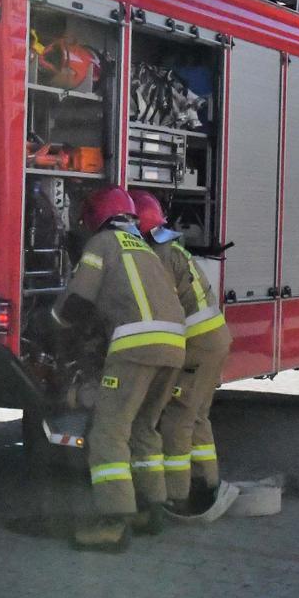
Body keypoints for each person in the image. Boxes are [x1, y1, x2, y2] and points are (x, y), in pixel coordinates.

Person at [51, 186, 186, 552]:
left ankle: (113, 523)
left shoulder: (102, 244)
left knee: (108, 433)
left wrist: (53, 322)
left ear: (97, 217)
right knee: (144, 427)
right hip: (174, 347)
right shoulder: (145, 247)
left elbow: (79, 300)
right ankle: (150, 508)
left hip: (134, 348)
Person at [127, 191, 235, 521]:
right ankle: (207, 483)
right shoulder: (171, 249)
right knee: (197, 415)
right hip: (212, 341)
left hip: (197, 347)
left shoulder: (156, 257)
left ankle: (177, 497)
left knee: (176, 419)